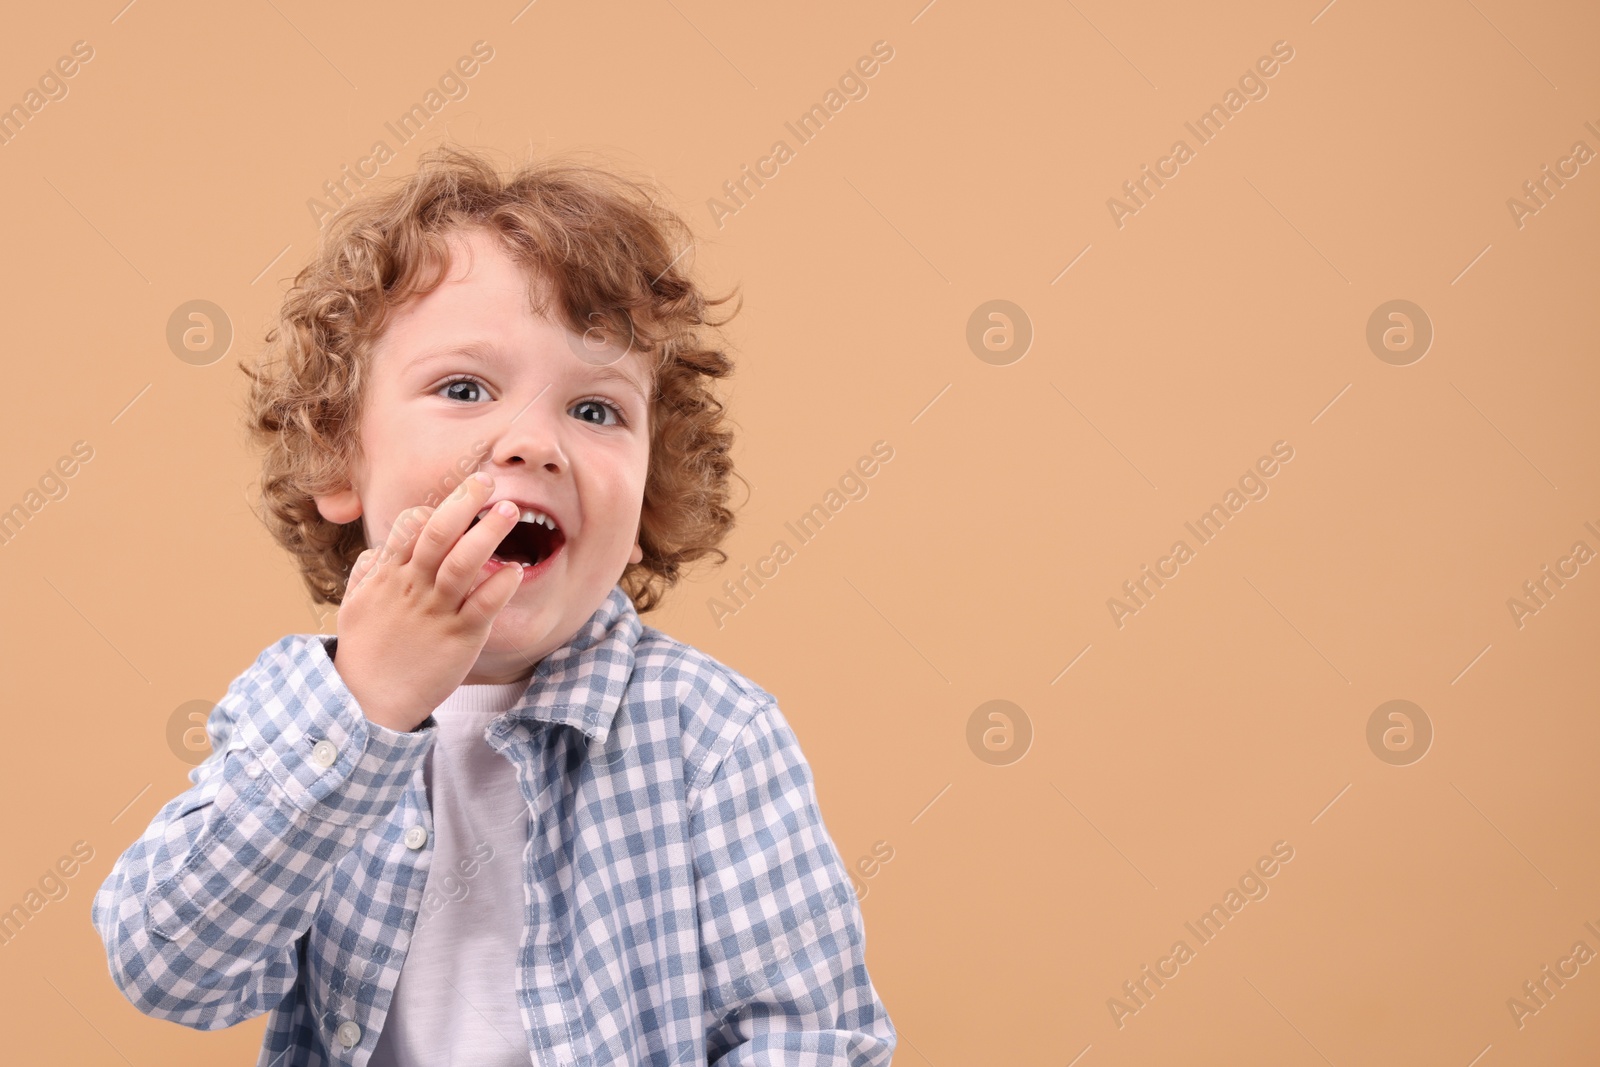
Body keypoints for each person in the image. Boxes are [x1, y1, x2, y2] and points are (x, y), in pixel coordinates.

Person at [91, 143, 896, 1066]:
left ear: (648, 502)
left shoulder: (712, 735)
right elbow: (171, 969)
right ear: (338, 462)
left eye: (596, 411)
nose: (534, 443)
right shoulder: (293, 708)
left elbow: (814, 1039)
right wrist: (363, 712)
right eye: (464, 388)